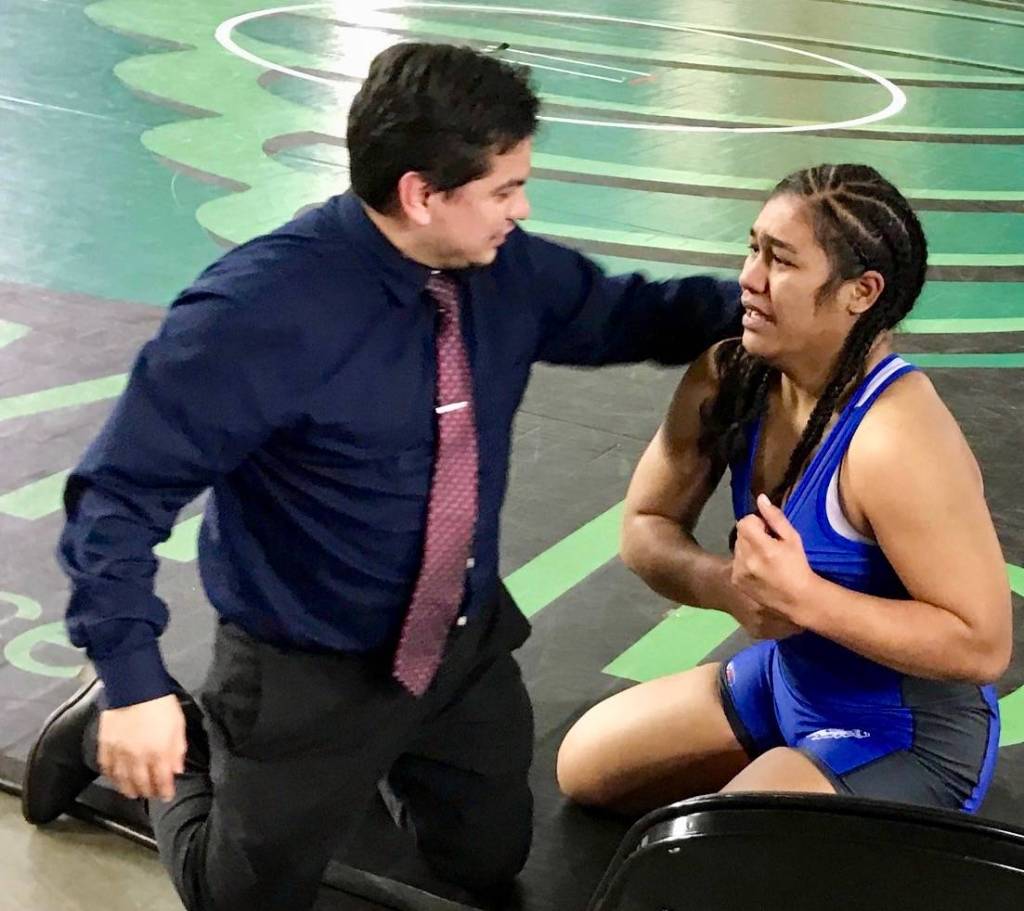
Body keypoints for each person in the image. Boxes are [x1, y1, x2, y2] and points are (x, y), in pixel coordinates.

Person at [20, 42, 742, 911]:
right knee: (237, 898)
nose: (523, 207)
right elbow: (117, 496)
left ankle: (370, 768)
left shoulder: (502, 270)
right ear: (421, 194)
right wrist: (135, 679)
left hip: (457, 647)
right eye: (504, 189)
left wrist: (768, 303)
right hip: (307, 667)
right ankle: (133, 726)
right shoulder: (257, 313)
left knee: (485, 859)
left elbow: (628, 314)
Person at [556, 164, 1012, 816]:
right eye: (753, 248)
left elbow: (982, 644)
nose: (749, 277)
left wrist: (808, 599)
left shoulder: (894, 439)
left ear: (861, 292)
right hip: (787, 684)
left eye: (781, 261)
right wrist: (723, 585)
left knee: (702, 871)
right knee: (584, 768)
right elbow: (646, 524)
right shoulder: (731, 377)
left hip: (906, 736)